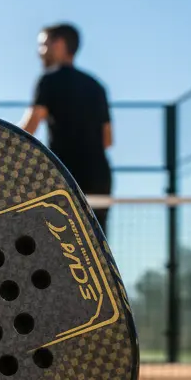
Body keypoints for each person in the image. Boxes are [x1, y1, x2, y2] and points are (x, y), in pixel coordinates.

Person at [20, 23, 114, 232]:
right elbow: (108, 140)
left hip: (64, 176)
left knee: (58, 248)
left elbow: (28, 128)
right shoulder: (96, 86)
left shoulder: (48, 80)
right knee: (97, 249)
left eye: (43, 45)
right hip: (99, 176)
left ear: (60, 44)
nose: (39, 52)